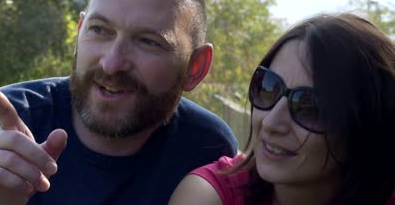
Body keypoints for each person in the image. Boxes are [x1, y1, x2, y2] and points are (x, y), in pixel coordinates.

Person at [0, 0, 238, 205]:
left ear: (195, 68)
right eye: (100, 30)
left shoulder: (206, 149)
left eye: (148, 41)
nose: (113, 63)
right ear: (79, 33)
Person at [169, 13, 395, 205]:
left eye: (310, 107)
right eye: (268, 87)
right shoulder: (209, 196)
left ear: (367, 124)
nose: (271, 123)